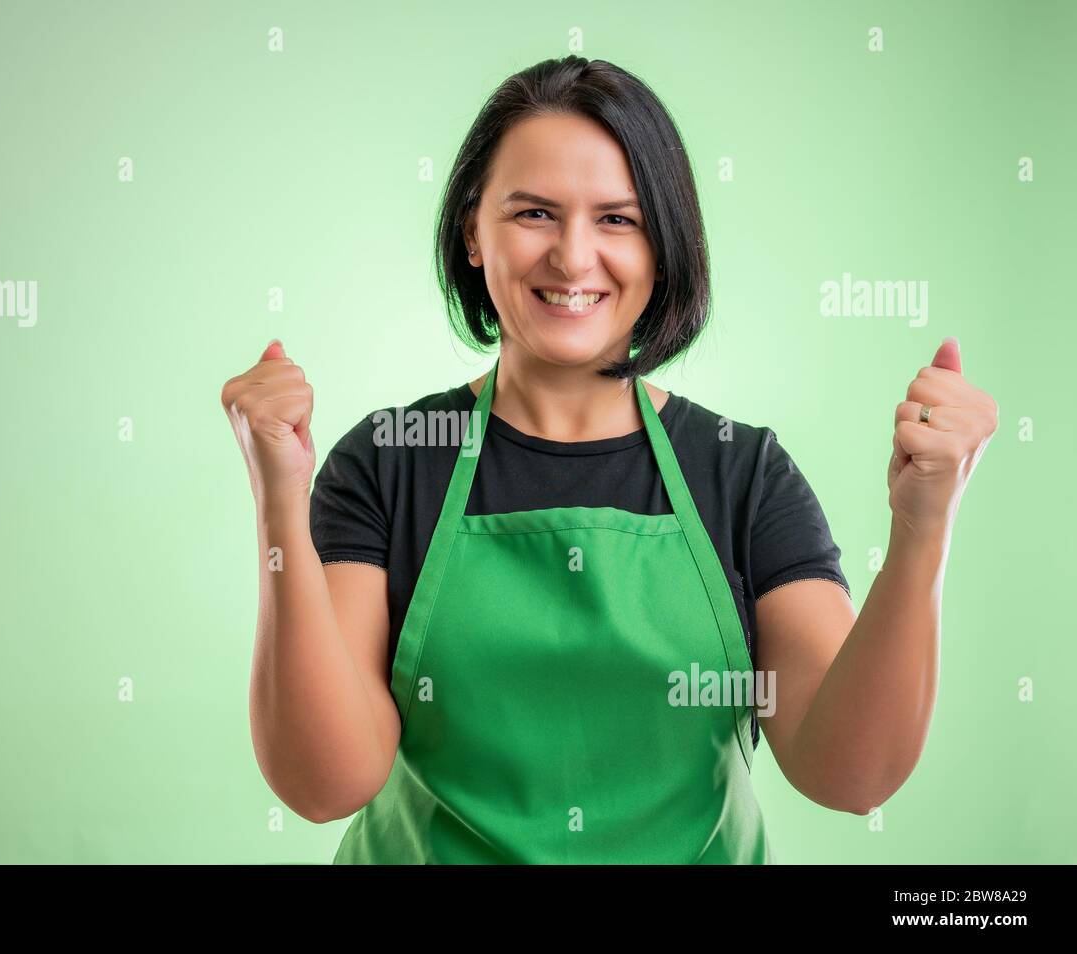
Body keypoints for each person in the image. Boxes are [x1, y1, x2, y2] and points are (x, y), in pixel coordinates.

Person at [220, 56, 999, 864]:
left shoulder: (741, 473)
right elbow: (323, 783)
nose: (572, 256)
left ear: (665, 246)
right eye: (533, 213)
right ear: (472, 232)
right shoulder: (390, 465)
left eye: (617, 220)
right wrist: (279, 497)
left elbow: (850, 773)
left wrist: (921, 529)